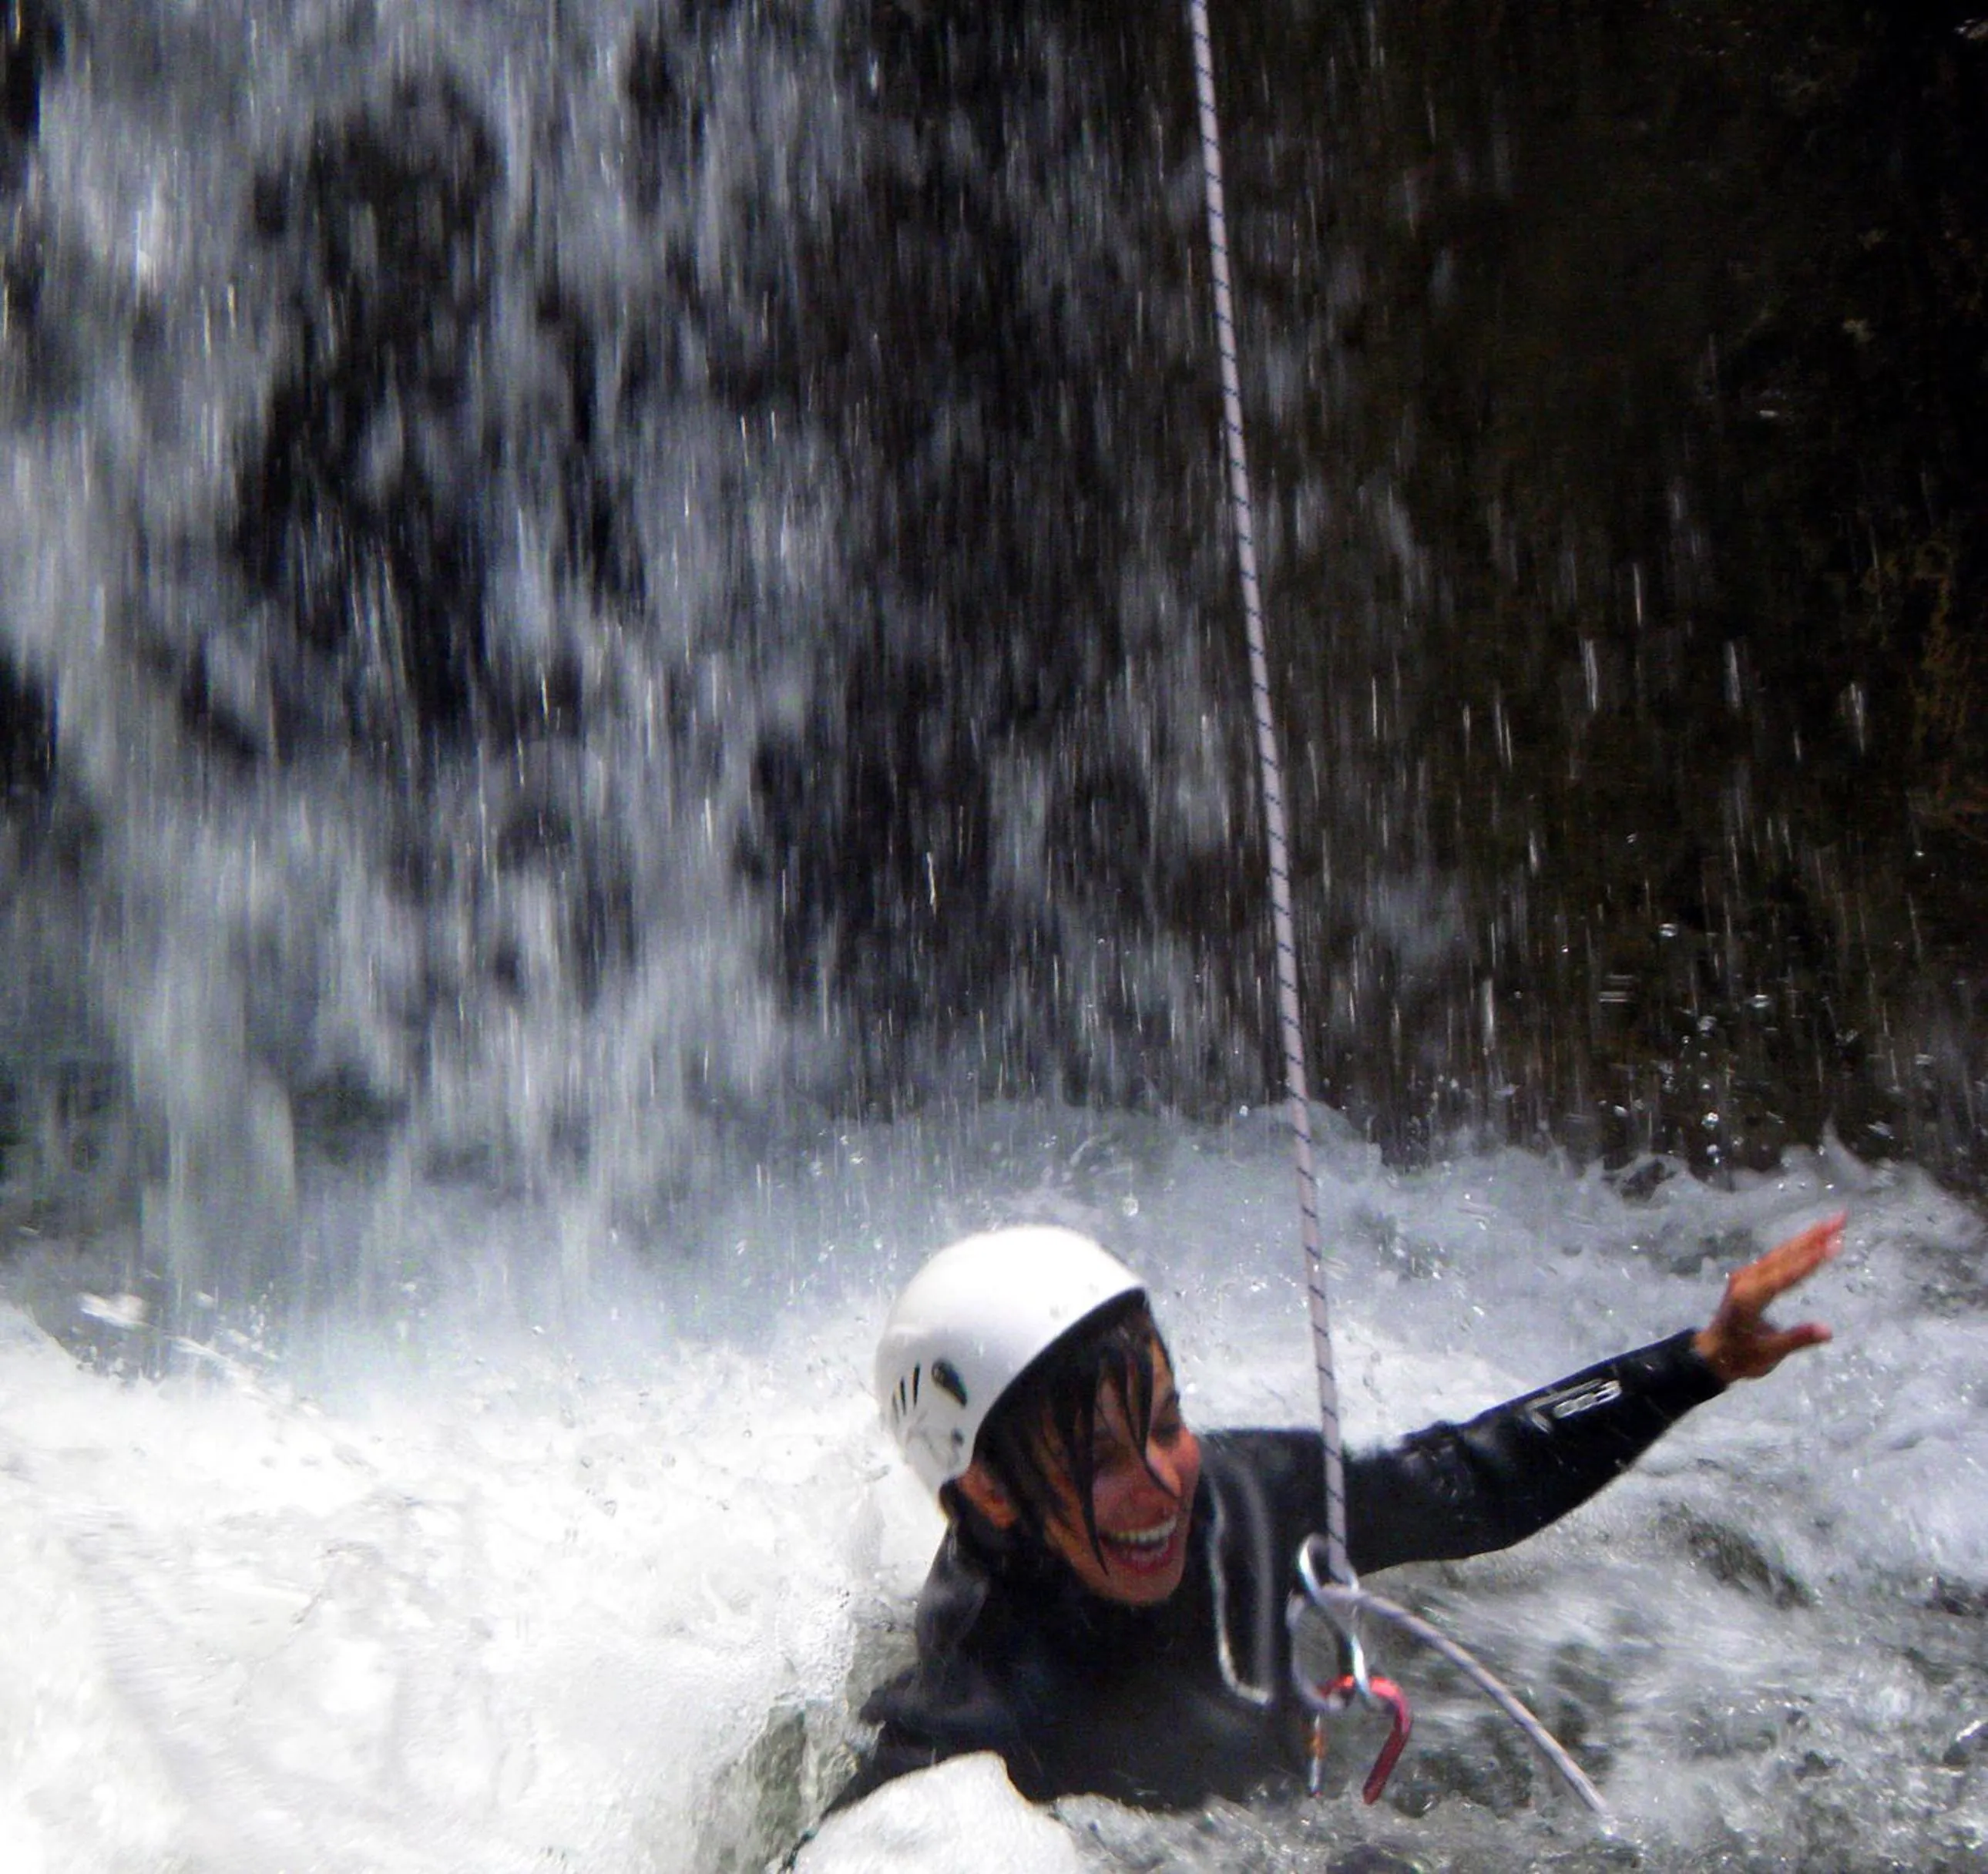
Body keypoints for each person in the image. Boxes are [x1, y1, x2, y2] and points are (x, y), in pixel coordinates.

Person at [831, 1212, 1842, 1813]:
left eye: (1168, 1422)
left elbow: (1470, 1483)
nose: (1163, 1482)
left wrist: (1697, 1362)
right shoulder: (968, 1724)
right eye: (1101, 1458)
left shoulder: (1247, 1497)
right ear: (990, 1493)